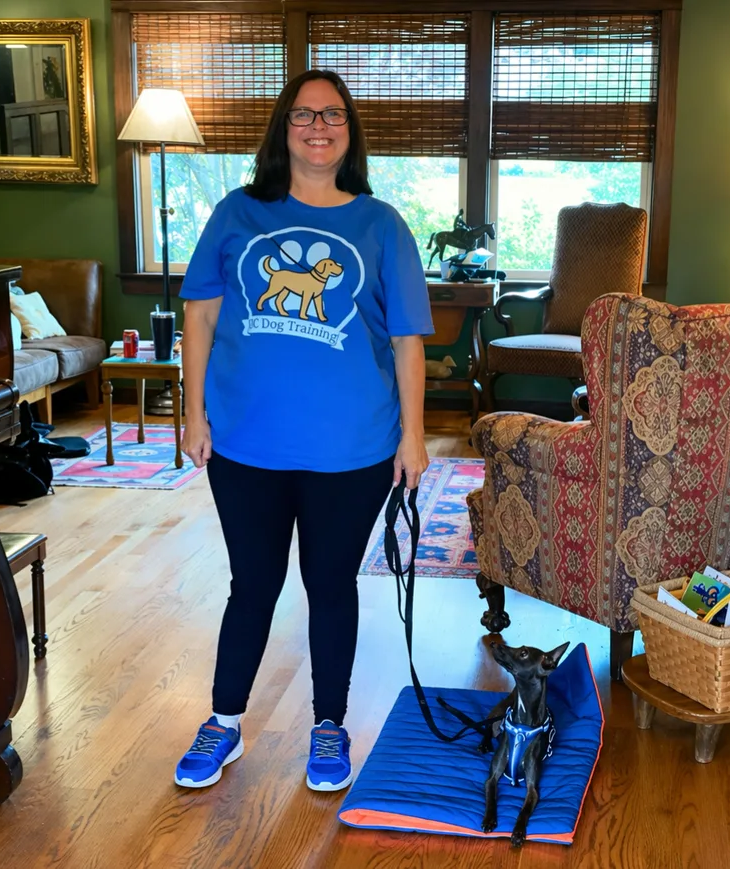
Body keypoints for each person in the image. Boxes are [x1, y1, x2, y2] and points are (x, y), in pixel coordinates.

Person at [173, 69, 433, 792]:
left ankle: (329, 724)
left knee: (330, 583)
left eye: (333, 114)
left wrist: (413, 438)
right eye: (302, 114)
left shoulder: (382, 225)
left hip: (351, 451)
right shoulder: (236, 213)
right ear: (281, 129)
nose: (318, 126)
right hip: (244, 446)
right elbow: (199, 315)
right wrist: (193, 415)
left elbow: (409, 338)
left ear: (350, 131)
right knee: (251, 583)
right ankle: (224, 723)